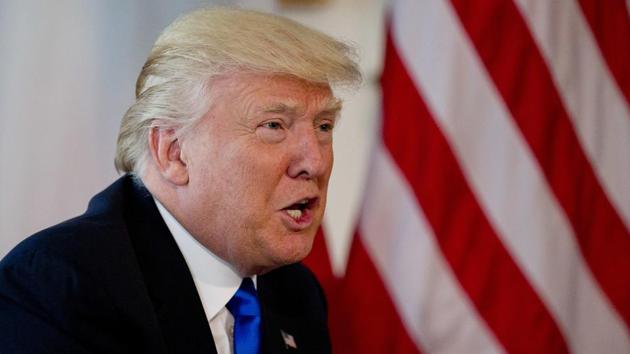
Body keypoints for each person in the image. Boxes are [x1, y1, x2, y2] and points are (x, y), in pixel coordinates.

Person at [0, 7, 361, 354]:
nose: (314, 161)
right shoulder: (59, 287)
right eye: (273, 126)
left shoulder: (294, 293)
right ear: (174, 153)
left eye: (324, 126)